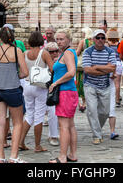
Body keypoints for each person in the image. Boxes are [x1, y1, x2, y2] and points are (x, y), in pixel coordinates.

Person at [0, 26, 29, 163]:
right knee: (17, 123)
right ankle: (14, 156)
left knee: (0, 123)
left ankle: (0, 157)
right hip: (13, 89)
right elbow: (25, 72)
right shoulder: (17, 51)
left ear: (0, 37)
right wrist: (16, 76)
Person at [19, 31, 54, 153]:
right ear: (41, 41)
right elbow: (52, 69)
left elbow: (22, 70)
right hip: (40, 86)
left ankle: (21, 141)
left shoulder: (25, 53)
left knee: (29, 114)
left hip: (27, 85)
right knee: (39, 115)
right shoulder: (44, 53)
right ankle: (37, 145)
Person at [49, 30, 79, 163]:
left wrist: (55, 83)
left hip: (65, 92)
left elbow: (72, 72)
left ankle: (62, 157)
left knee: (64, 126)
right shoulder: (67, 53)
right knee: (70, 125)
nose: (59, 41)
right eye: (58, 39)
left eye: (62, 39)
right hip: (69, 92)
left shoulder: (67, 53)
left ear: (68, 39)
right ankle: (72, 154)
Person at [82, 29, 116, 144]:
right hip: (90, 84)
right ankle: (97, 135)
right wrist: (104, 69)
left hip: (104, 85)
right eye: (98, 38)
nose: (100, 40)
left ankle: (96, 129)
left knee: (105, 112)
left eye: (102, 38)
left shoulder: (110, 51)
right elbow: (87, 70)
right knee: (92, 110)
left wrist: (96, 66)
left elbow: (113, 68)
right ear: (93, 39)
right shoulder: (88, 51)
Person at [44, 42, 60, 146]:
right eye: (52, 51)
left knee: (54, 111)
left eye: (56, 51)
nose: (54, 53)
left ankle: (53, 135)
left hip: (57, 88)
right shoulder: (43, 62)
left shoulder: (60, 61)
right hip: (44, 88)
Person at [76, 27, 93, 112]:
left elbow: (77, 53)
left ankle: (83, 102)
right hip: (92, 66)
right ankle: (88, 102)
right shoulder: (94, 42)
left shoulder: (83, 42)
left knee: (81, 83)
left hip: (82, 66)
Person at [107, 28, 123, 108]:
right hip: (118, 63)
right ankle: (117, 100)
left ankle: (110, 100)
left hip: (110, 63)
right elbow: (120, 55)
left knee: (110, 83)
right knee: (117, 84)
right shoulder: (119, 44)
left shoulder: (108, 44)